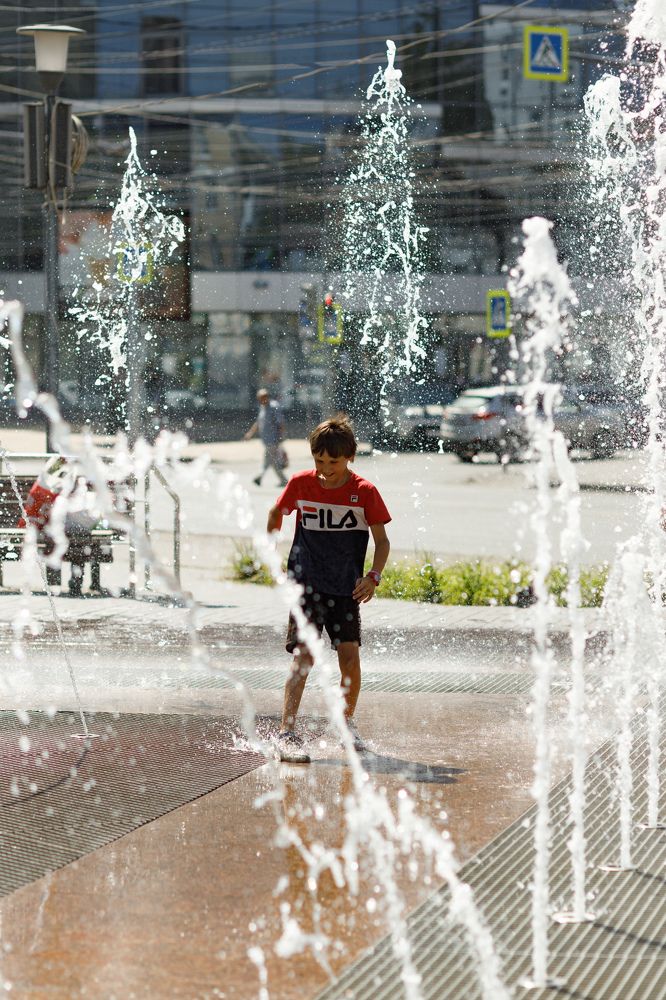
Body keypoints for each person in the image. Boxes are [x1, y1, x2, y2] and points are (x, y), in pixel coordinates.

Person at [266, 415, 391, 763]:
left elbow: (381, 542)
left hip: (346, 590)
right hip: (306, 586)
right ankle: (286, 733)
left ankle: (344, 724)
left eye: (332, 462)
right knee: (302, 657)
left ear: (349, 457)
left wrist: (373, 576)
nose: (323, 469)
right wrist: (271, 548)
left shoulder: (364, 492)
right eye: (318, 461)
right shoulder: (301, 484)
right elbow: (276, 513)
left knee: (349, 658)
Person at [245, 388, 288, 487]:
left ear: (267, 397)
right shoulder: (262, 407)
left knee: (268, 460)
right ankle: (283, 480)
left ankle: (260, 477)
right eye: (259, 398)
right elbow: (258, 422)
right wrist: (250, 433)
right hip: (266, 440)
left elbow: (280, 423)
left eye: (262, 398)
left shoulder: (274, 407)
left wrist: (281, 437)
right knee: (272, 461)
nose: (261, 400)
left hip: (273, 440)